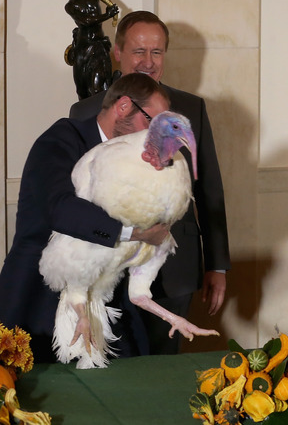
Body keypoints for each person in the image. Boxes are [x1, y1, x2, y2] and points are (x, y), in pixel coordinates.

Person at [69, 11, 231, 355]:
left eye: (156, 52)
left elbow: (209, 190)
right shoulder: (84, 112)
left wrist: (217, 264)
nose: (148, 61)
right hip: (106, 262)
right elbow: (78, 195)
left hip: (174, 266)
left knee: (163, 369)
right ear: (118, 52)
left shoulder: (190, 108)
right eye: (138, 51)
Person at [0, 73, 173, 363]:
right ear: (123, 107)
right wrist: (135, 232)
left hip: (108, 301)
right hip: (38, 300)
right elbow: (60, 209)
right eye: (151, 124)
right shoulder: (62, 138)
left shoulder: (135, 159)